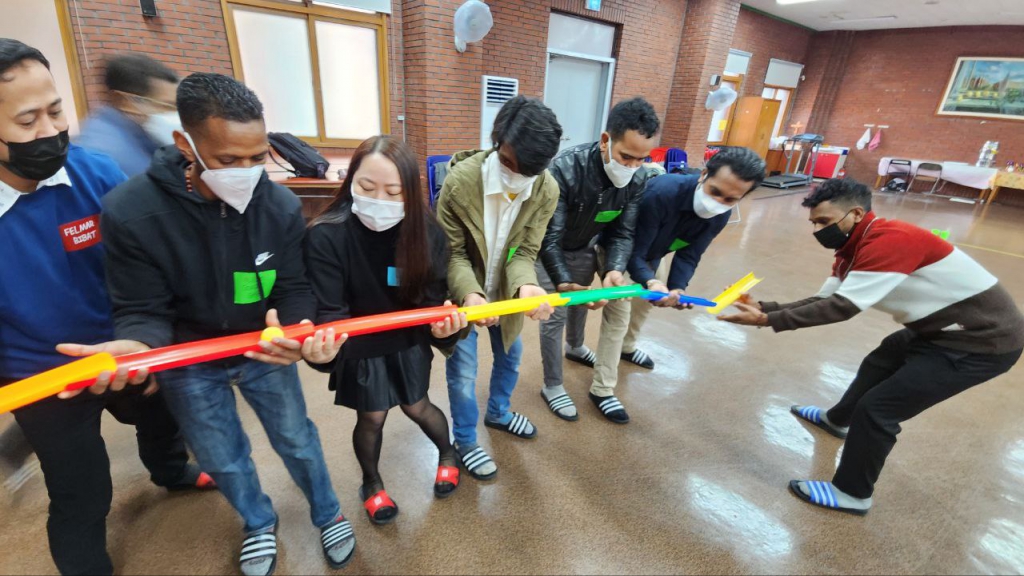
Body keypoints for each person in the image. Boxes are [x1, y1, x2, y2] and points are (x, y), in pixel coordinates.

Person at [100, 72, 355, 575]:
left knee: (297, 439)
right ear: (186, 145)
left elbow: (294, 287)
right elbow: (141, 308)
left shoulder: (279, 206)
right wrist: (137, 345)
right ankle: (258, 522)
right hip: (189, 361)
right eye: (227, 160)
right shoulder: (130, 212)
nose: (246, 172)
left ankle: (328, 512)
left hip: (264, 351)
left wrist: (297, 330)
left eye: (257, 157)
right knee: (222, 454)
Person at [0, 39, 210, 576]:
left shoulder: (96, 174)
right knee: (81, 491)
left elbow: (150, 265)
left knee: (163, 419)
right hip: (43, 376)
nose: (50, 130)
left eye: (56, 110)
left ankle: (170, 471)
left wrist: (148, 340)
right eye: (27, 121)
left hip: (126, 346)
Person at [719, 178, 1024, 515]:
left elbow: (843, 307)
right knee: (881, 360)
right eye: (813, 223)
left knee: (878, 410)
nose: (818, 230)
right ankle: (837, 420)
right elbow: (826, 299)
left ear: (855, 213)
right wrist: (767, 308)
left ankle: (853, 494)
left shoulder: (890, 240)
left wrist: (767, 320)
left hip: (982, 343)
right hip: (939, 330)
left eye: (824, 221)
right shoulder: (851, 248)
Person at [305, 135, 467, 525]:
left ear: (411, 191)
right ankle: (371, 482)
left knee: (417, 405)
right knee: (372, 416)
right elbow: (329, 311)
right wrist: (323, 351)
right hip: (358, 343)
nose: (380, 200)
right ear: (350, 182)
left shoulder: (427, 233)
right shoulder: (326, 235)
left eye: (394, 192)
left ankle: (449, 453)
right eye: (366, 187)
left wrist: (444, 330)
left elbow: (432, 302)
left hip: (407, 338)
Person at [436, 95, 561, 481]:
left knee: (511, 355)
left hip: (506, 297)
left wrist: (526, 285)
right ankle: (465, 440)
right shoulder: (460, 183)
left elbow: (525, 251)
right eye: (508, 162)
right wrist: (471, 296)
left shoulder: (545, 190)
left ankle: (499, 413)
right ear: (496, 142)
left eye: (529, 171)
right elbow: (453, 253)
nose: (516, 176)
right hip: (465, 295)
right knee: (463, 371)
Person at [536, 97, 660, 424]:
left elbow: (623, 232)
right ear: (606, 140)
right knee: (556, 315)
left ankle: (576, 348)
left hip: (584, 246)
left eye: (642, 159)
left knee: (582, 301)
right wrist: (562, 280)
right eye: (626, 156)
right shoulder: (564, 169)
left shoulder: (637, 179)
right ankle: (552, 385)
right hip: (548, 249)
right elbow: (549, 236)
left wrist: (615, 268)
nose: (632, 166)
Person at [625, 146, 765, 363]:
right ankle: (604, 381)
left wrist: (677, 288)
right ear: (703, 174)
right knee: (617, 317)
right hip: (621, 249)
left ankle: (626, 348)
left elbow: (689, 255)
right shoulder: (661, 192)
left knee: (642, 306)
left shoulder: (720, 215)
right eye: (715, 191)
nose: (717, 203)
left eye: (730, 200)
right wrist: (650, 281)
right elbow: (635, 249)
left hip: (654, 254)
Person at [76, 53, 180, 177]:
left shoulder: (144, 136)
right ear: (125, 101)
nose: (175, 113)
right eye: (167, 105)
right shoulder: (102, 155)